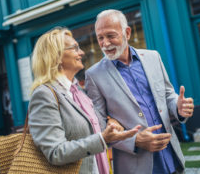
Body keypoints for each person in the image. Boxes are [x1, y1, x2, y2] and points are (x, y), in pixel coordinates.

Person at [85, 9, 195, 174]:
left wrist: (178, 108)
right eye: (100, 38)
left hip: (171, 158)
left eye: (110, 36)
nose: (105, 44)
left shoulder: (153, 57)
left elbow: (167, 95)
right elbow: (99, 127)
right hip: (134, 165)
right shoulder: (93, 75)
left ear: (127, 33)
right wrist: (134, 140)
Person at [28, 27, 141, 174]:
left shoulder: (78, 91)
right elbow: (55, 152)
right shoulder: (44, 95)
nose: (81, 52)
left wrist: (110, 123)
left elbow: (93, 130)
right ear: (56, 56)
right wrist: (101, 139)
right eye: (75, 48)